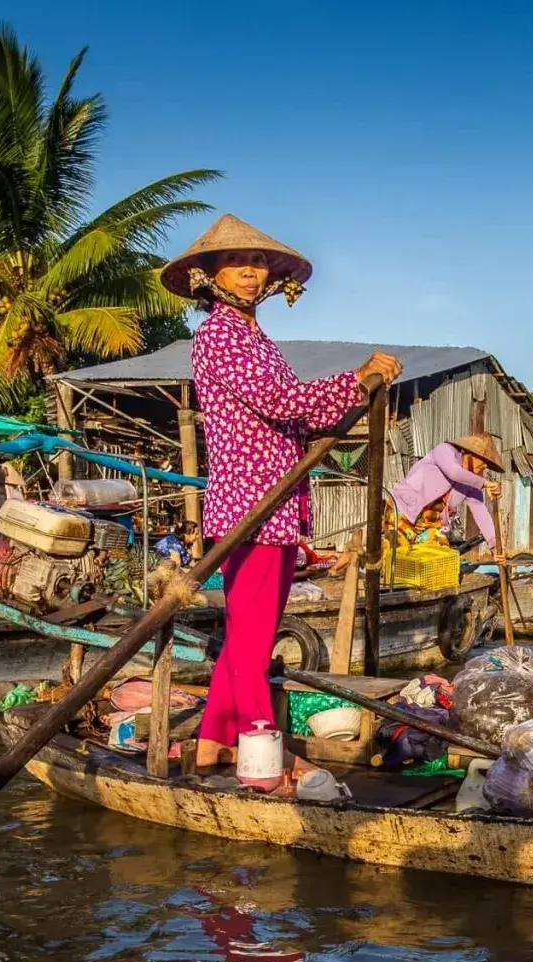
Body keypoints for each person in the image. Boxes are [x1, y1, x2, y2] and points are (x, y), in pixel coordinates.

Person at [162, 214, 402, 774]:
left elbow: (283, 414)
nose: (250, 272)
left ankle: (214, 742)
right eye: (236, 263)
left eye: (258, 262)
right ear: (209, 276)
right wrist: (356, 377)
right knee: (250, 640)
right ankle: (265, 753)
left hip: (277, 503)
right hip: (252, 506)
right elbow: (282, 401)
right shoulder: (219, 335)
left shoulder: (254, 337)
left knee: (252, 633)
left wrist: (342, 402)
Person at [388, 434, 504, 551]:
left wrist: (495, 547)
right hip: (401, 511)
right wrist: (486, 483)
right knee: (398, 556)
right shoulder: (445, 450)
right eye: (483, 460)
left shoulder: (471, 482)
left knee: (440, 554)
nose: (484, 466)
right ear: (471, 454)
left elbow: (481, 513)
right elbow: (454, 473)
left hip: (428, 525)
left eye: (487, 465)